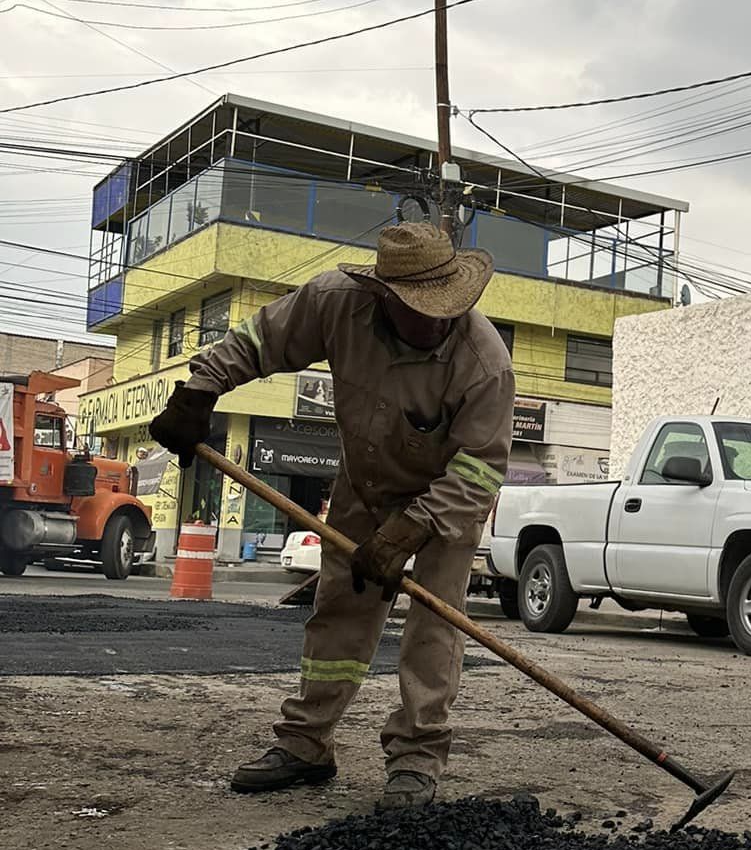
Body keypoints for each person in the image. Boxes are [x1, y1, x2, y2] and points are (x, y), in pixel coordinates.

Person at [151, 224, 515, 809]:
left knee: (433, 622)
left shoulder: (482, 362)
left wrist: (410, 529)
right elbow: (257, 339)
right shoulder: (333, 303)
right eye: (422, 311)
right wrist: (199, 391)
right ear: (383, 297)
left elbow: (480, 469)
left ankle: (418, 758)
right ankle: (305, 744)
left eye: (447, 309)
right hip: (365, 484)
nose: (437, 322)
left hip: (449, 501)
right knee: (339, 611)